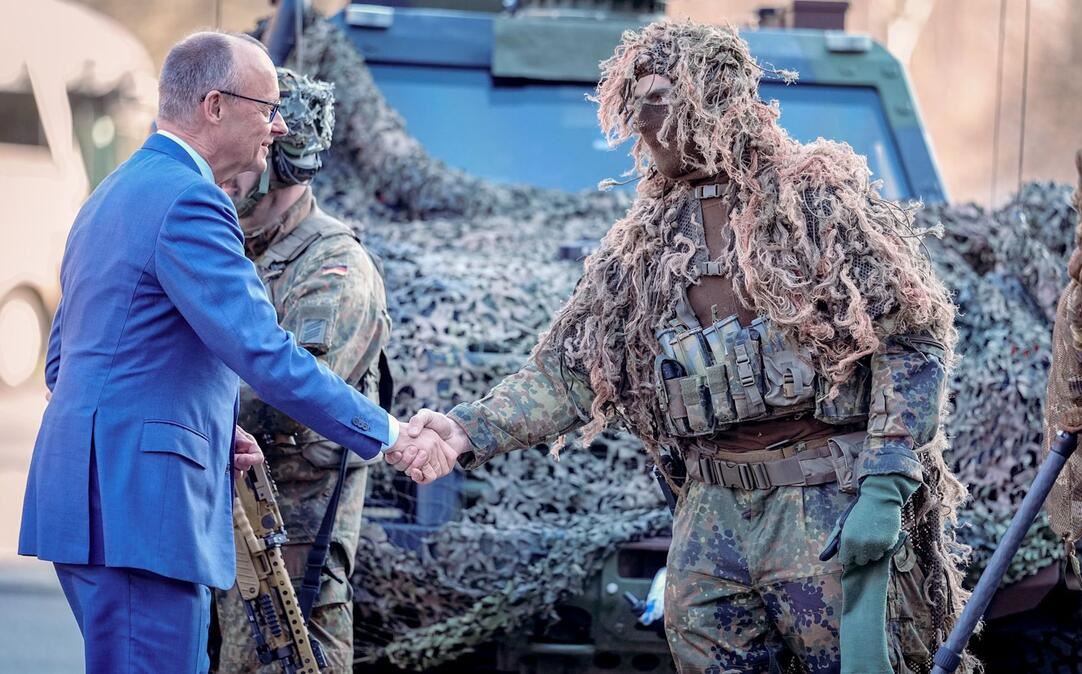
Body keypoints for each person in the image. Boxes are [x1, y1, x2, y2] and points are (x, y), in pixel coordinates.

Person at [389, 21, 973, 674]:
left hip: (822, 502)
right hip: (711, 513)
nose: (644, 118)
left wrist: (886, 485)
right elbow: (571, 374)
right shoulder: (643, 243)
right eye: (634, 100)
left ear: (716, 98)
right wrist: (466, 429)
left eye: (662, 96)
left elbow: (911, 334)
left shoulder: (815, 204)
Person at [17, 31, 444, 673]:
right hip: (143, 514)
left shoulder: (113, 192)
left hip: (93, 504)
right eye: (266, 107)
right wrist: (386, 431)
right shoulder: (192, 200)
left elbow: (68, 366)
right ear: (215, 105)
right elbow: (264, 351)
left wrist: (214, 430)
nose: (276, 127)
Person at [211, 67, 390, 673]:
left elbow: (288, 394)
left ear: (282, 163)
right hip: (226, 516)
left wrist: (172, 402)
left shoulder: (333, 266)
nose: (224, 174)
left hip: (291, 543)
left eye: (247, 154)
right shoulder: (232, 244)